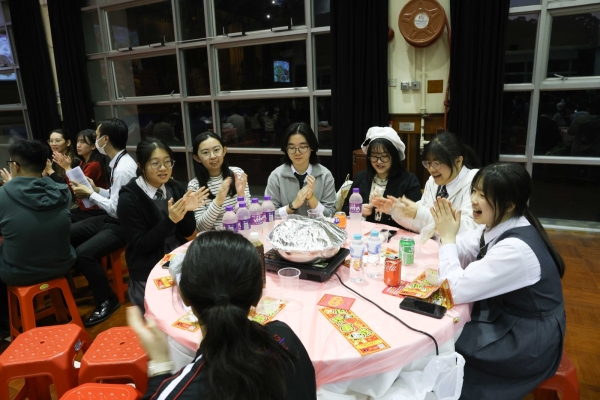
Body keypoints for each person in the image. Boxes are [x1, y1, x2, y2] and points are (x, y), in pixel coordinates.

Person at [430, 163, 565, 399]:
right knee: (448, 335)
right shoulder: (503, 223)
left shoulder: (515, 249)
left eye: (483, 195)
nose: (473, 200)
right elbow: (466, 246)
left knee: (447, 348)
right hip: (510, 316)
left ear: (510, 204)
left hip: (527, 340)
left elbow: (453, 290)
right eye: (474, 191)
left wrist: (448, 237)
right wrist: (449, 235)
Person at [127, 231, 317, 400]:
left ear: (184, 296)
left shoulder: (182, 390)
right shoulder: (284, 338)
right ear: (258, 295)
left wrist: (160, 364)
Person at [117, 138, 208, 313]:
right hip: (148, 265)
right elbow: (142, 245)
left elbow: (187, 231)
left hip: (176, 257)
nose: (163, 168)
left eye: (167, 162)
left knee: (187, 311)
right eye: (155, 163)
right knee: (159, 316)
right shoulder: (129, 198)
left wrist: (188, 211)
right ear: (141, 166)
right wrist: (170, 220)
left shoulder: (174, 187)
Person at [0, 140, 76, 336]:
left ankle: (5, 328)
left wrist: (9, 186)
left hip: (21, 272)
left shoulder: (3, 195)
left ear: (15, 165)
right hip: (61, 264)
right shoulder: (63, 191)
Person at [69, 118, 138, 327]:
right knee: (68, 232)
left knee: (84, 254)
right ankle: (91, 282)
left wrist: (90, 193)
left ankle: (107, 299)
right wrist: (97, 190)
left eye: (97, 136)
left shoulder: (123, 168)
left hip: (124, 225)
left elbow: (117, 209)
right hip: (112, 218)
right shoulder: (118, 162)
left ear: (105, 139)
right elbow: (116, 196)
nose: (96, 139)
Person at [372, 132, 480, 239]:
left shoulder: (476, 181)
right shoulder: (432, 182)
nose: (431, 169)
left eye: (437, 163)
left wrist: (421, 213)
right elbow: (422, 225)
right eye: (428, 163)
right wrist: (396, 211)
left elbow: (472, 227)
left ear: (458, 161)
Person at [342, 127, 421, 228]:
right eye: (374, 156)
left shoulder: (409, 180)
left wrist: (392, 210)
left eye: (384, 156)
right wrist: (359, 210)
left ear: (394, 157)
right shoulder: (360, 177)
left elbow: (416, 219)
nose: (379, 161)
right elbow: (344, 210)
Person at [266, 122, 336, 218]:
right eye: (291, 147)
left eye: (302, 147)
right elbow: (269, 214)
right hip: (286, 227)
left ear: (311, 147)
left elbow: (330, 215)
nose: (297, 152)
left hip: (316, 227)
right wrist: (293, 205)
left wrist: (312, 198)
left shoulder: (325, 175)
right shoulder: (276, 176)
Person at [188, 132, 251, 231]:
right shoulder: (195, 185)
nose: (213, 156)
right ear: (197, 158)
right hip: (215, 237)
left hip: (241, 233)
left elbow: (249, 215)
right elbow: (201, 227)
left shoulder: (237, 174)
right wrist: (218, 200)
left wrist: (241, 195)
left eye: (216, 150)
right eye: (205, 152)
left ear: (224, 151)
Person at [53, 129, 109, 222]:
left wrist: (67, 168)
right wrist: (68, 168)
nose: (78, 145)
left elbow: (78, 189)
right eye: (78, 141)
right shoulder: (83, 162)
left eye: (82, 142)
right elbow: (72, 188)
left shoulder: (94, 165)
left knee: (62, 219)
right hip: (85, 207)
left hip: (94, 209)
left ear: (93, 146)